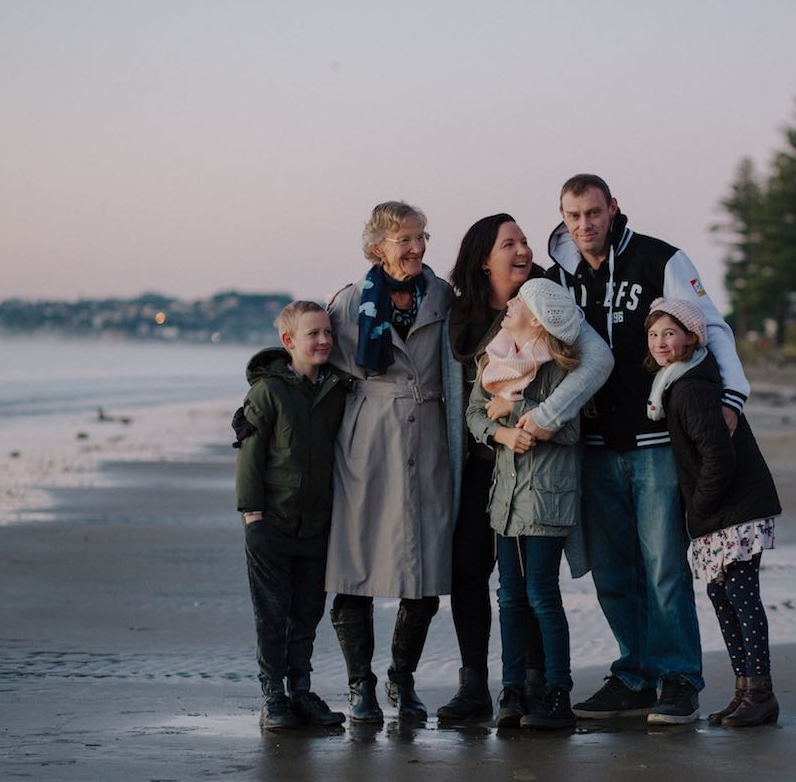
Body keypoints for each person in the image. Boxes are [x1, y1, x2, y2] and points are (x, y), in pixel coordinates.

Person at [543, 173, 750, 724]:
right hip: (590, 443)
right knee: (612, 569)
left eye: (593, 212)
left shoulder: (661, 259)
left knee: (663, 567)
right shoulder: (557, 276)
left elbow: (713, 328)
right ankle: (635, 675)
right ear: (562, 217)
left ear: (612, 209)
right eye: (573, 215)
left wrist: (732, 396)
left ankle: (679, 677)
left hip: (656, 440)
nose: (584, 225)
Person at [438, 214, 613, 721]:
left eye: (524, 242)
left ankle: (541, 684)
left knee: (534, 586)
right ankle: (479, 685)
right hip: (482, 466)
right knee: (474, 571)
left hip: (539, 475)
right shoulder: (461, 318)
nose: (522, 250)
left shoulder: (551, 306)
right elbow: (469, 403)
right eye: (508, 243)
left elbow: (593, 365)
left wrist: (530, 419)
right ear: (482, 258)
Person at [326, 201, 455, 724]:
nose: (418, 248)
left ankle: (403, 679)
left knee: (423, 574)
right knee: (354, 568)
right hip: (366, 441)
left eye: (422, 237)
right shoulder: (349, 302)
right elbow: (316, 371)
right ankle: (361, 685)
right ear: (378, 246)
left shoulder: (443, 296)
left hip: (428, 436)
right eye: (406, 239)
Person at [645, 298, 782, 727]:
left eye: (670, 333)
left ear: (691, 338)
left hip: (734, 510)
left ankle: (761, 693)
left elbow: (718, 456)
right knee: (723, 598)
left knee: (742, 599)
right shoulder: (675, 383)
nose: (661, 342)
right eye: (653, 334)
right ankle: (744, 691)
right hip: (721, 512)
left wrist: (699, 509)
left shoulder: (691, 387)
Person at [465, 279, 594, 730]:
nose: (509, 305)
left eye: (518, 302)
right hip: (505, 501)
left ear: (536, 319)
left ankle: (558, 690)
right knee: (509, 597)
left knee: (541, 595)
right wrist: (500, 430)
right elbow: (475, 414)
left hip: (545, 502)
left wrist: (529, 418)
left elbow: (574, 431)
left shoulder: (562, 369)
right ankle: (512, 690)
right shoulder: (496, 361)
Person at [233, 300, 350, 730]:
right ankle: (274, 697)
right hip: (271, 525)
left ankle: (301, 691)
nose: (323, 340)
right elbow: (250, 454)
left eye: (327, 333)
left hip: (318, 526)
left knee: (307, 613)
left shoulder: (336, 389)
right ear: (289, 342)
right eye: (313, 334)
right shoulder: (268, 392)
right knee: (272, 614)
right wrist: (253, 516)